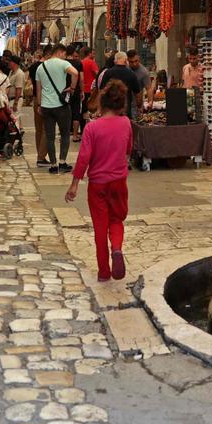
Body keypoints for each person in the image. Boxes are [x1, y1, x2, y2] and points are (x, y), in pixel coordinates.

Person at [66, 79, 133, 282]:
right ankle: (117, 248)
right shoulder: (126, 123)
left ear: (102, 103)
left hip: (97, 184)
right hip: (119, 181)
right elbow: (129, 151)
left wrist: (74, 184)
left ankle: (104, 271)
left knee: (100, 227)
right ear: (121, 104)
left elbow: (84, 158)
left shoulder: (92, 128)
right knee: (116, 220)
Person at [35, 43, 79, 173]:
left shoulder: (40, 67)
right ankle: (62, 162)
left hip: (46, 106)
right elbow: (75, 73)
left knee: (49, 136)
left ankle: (53, 165)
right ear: (60, 53)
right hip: (61, 106)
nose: (65, 58)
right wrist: (72, 88)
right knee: (65, 134)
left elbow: (38, 89)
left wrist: (39, 104)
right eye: (65, 55)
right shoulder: (62, 63)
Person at [26, 49, 50, 167]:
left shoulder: (33, 67)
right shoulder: (47, 67)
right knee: (47, 128)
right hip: (46, 99)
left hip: (36, 98)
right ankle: (41, 156)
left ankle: (40, 154)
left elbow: (32, 82)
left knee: (38, 128)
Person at [68, 45, 86, 141]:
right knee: (76, 112)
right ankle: (75, 135)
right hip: (76, 91)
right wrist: (82, 90)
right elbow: (82, 79)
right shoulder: (78, 63)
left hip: (65, 91)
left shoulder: (63, 63)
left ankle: (66, 135)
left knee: (65, 112)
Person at [126, 49, 151, 114]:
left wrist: (150, 101)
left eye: (136, 61)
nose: (134, 64)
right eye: (131, 62)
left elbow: (149, 88)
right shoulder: (124, 69)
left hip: (136, 106)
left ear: (139, 58)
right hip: (123, 104)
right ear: (127, 60)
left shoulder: (144, 72)